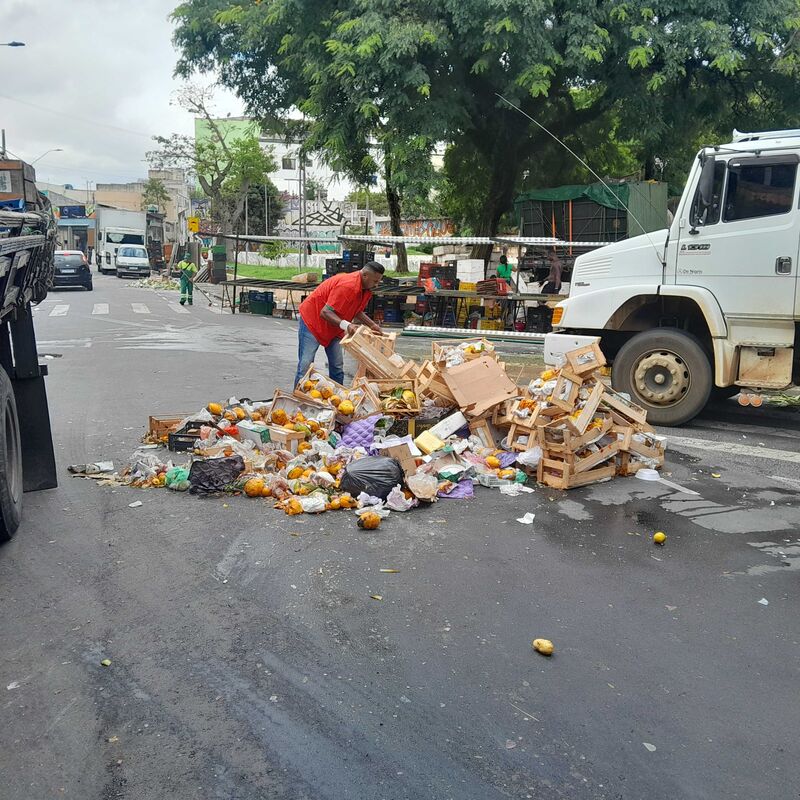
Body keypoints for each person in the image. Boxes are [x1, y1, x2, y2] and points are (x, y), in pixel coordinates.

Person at [294, 261, 385, 388]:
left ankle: (338, 398)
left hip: (335, 325)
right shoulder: (347, 286)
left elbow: (356, 310)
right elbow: (325, 312)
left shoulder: (365, 289)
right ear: (365, 275)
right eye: (375, 281)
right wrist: (347, 325)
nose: (377, 285)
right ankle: (298, 398)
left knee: (337, 365)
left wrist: (372, 325)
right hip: (313, 321)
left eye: (378, 281)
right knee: (306, 364)